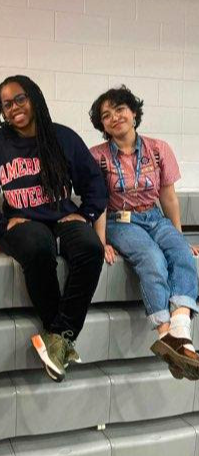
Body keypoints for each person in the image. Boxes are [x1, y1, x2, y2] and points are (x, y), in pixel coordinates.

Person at [0, 75, 107, 382]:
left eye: (20, 99)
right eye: (7, 104)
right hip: (22, 223)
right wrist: (2, 223)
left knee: (90, 248)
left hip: (62, 217)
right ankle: (59, 336)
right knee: (37, 246)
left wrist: (86, 213)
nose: (14, 107)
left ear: (34, 98)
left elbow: (95, 182)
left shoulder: (63, 138)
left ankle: (58, 335)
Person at [89, 85, 199, 381]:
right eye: (106, 116)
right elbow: (97, 203)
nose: (114, 118)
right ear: (102, 126)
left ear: (134, 113)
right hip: (119, 221)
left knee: (183, 256)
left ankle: (180, 333)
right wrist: (101, 242)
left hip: (154, 216)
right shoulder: (96, 156)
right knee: (152, 259)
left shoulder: (159, 150)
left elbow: (169, 197)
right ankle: (165, 335)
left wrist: (178, 236)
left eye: (120, 109)